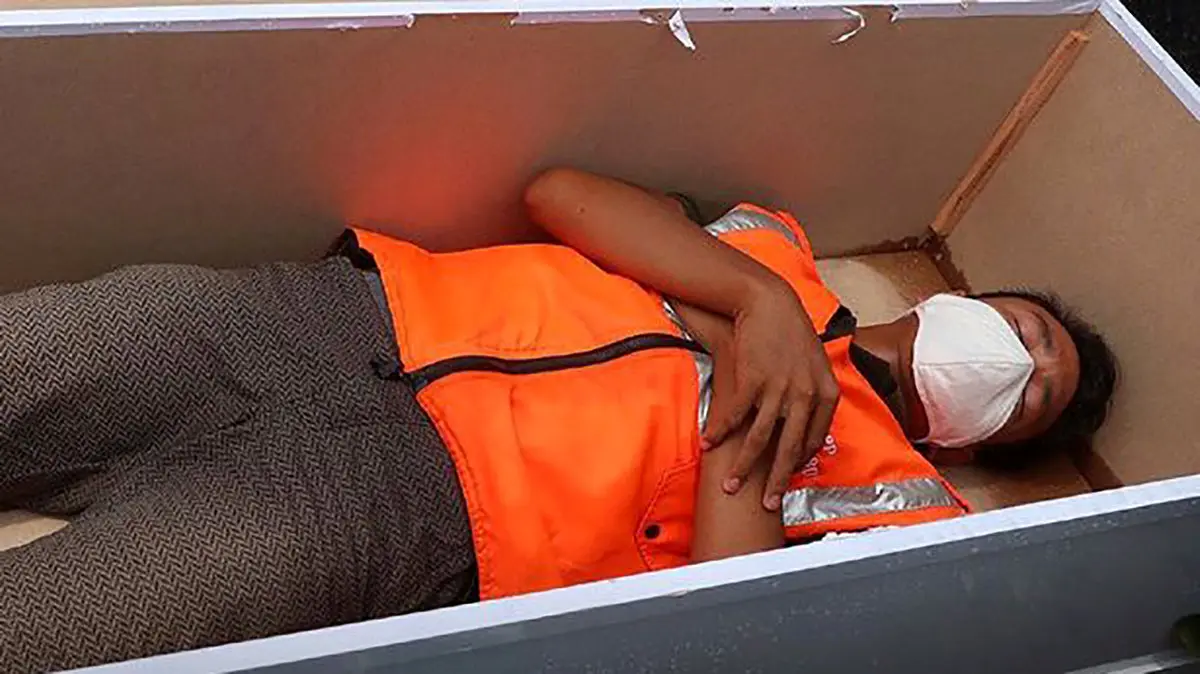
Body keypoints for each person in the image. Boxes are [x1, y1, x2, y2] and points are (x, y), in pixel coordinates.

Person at [0, 168, 1116, 671]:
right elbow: (562, 195)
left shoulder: (909, 512)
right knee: (40, 355)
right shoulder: (774, 246)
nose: (1012, 360)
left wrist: (758, 411)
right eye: (1024, 330)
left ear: (984, 441)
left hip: (398, 519)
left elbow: (722, 615)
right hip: (326, 322)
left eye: (1030, 390)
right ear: (961, 300)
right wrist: (756, 306)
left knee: (47, 628)